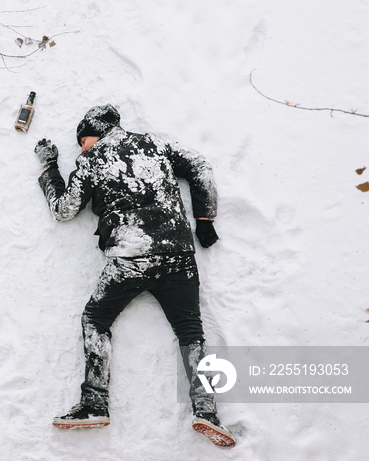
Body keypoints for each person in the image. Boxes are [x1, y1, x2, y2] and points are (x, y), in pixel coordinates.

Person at [34, 104, 235, 447]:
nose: (81, 147)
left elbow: (64, 210)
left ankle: (94, 402)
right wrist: (204, 219)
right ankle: (206, 410)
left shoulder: (92, 159)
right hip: (179, 256)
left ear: (93, 135)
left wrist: (50, 166)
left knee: (95, 319)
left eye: (82, 140)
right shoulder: (156, 144)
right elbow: (200, 165)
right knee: (190, 330)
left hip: (131, 258)